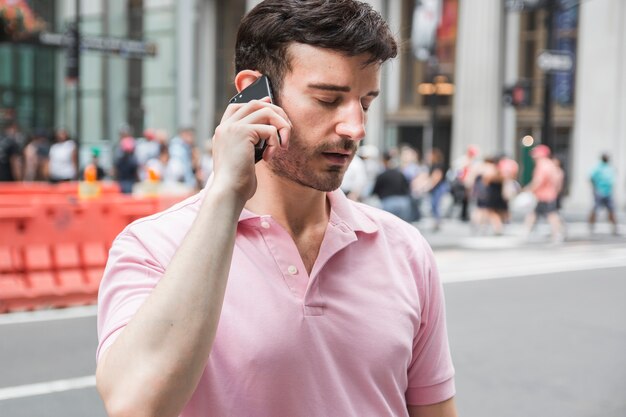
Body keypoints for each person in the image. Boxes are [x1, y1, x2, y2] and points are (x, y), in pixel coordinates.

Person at [96, 2, 457, 417]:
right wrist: (225, 197)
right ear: (256, 94)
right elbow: (135, 405)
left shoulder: (405, 249)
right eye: (327, 99)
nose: (355, 128)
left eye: (366, 103)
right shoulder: (154, 246)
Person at [524, 144, 564, 243]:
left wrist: (529, 189)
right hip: (549, 195)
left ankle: (557, 234)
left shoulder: (542, 164)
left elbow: (539, 180)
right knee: (535, 214)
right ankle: (527, 232)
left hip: (544, 196)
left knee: (551, 215)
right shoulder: (551, 164)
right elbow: (558, 180)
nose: (533, 157)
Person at [372, 151, 414, 222]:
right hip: (403, 202)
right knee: (403, 227)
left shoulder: (382, 175)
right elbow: (407, 188)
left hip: (388, 202)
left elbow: (375, 190)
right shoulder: (400, 174)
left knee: (389, 227)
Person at [588, 153, 618, 235]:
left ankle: (614, 228)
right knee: (595, 209)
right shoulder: (598, 167)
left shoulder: (610, 167)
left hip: (608, 192)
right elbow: (591, 177)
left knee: (611, 210)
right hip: (599, 191)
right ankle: (591, 226)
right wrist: (595, 188)